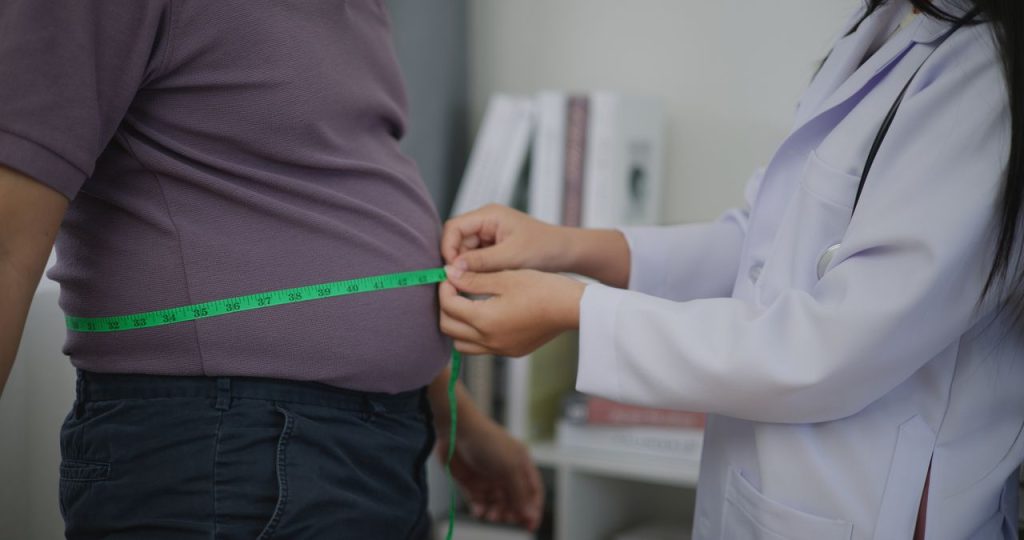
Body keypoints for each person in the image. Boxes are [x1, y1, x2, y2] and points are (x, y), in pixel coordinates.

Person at [439, 0, 1023, 538]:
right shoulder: (882, 25)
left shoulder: (982, 77)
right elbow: (759, 246)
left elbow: (828, 348)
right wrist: (564, 246)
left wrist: (576, 310)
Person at [0, 1, 541, 538]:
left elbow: (322, 211)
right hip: (227, 456)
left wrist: (458, 420)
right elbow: (8, 243)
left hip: (382, 449)